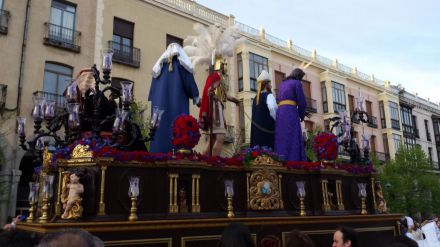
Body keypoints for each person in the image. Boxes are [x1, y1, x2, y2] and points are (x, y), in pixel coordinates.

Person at [149, 43, 200, 153]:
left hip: (159, 110)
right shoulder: (181, 63)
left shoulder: (159, 66)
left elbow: (152, 93)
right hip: (177, 106)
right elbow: (189, 82)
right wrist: (196, 98)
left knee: (159, 135)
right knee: (177, 132)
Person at [199, 71, 238, 156]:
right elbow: (210, 89)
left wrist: (234, 100)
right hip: (215, 110)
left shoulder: (213, 76)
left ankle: (203, 161)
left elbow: (223, 95)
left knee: (211, 140)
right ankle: (214, 163)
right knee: (220, 137)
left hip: (213, 109)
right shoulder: (217, 75)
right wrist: (212, 90)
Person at [274, 68, 307, 162]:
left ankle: (279, 159)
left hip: (280, 113)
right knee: (292, 136)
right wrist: (301, 115)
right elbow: (302, 102)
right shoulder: (297, 83)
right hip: (290, 112)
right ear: (299, 77)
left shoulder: (283, 84)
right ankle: (293, 160)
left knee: (281, 136)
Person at [250, 70, 277, 149]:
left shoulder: (255, 98)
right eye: (270, 83)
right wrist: (277, 120)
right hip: (267, 131)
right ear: (266, 85)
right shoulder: (269, 95)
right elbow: (272, 109)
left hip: (256, 132)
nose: (271, 86)